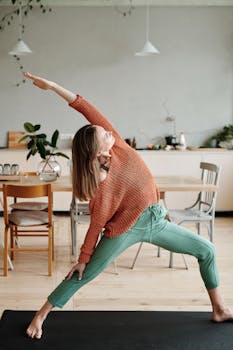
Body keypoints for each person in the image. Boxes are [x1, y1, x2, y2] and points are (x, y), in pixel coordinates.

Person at [24, 72, 233, 339]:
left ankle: (219, 309)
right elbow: (96, 225)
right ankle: (40, 316)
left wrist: (53, 87)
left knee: (207, 251)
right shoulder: (100, 187)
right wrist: (83, 259)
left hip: (156, 221)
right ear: (98, 151)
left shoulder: (118, 146)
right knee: (85, 274)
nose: (109, 131)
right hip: (124, 230)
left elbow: (84, 106)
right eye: (104, 135)